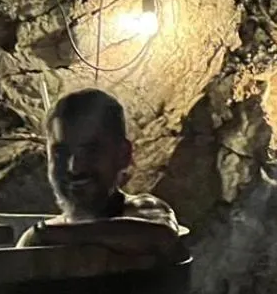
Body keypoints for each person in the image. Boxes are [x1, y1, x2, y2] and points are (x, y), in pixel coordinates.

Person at [15, 88, 185, 258]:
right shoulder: (40, 237)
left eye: (91, 151)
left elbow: (162, 237)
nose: (75, 168)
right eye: (61, 153)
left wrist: (55, 235)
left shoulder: (144, 210)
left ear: (123, 155)